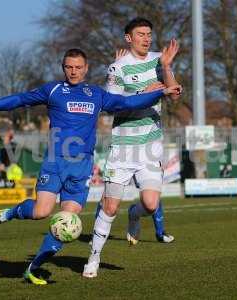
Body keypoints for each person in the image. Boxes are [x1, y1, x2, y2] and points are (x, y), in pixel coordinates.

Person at [0, 48, 181, 285]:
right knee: (41, 212)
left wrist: (163, 92)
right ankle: (6, 214)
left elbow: (127, 101)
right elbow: (19, 100)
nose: (73, 71)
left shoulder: (96, 94)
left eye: (78, 67)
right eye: (68, 67)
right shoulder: (52, 90)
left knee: (67, 223)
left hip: (82, 166)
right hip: (55, 162)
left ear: (86, 68)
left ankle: (33, 268)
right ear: (63, 67)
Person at [83, 17, 181, 278]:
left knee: (150, 205)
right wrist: (146, 93)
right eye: (141, 34)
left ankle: (134, 216)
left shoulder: (159, 60)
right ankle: (93, 258)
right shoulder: (118, 68)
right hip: (123, 149)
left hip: (151, 146)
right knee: (110, 207)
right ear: (129, 38)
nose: (146, 38)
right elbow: (113, 104)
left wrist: (167, 66)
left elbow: (173, 92)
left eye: (149, 33)